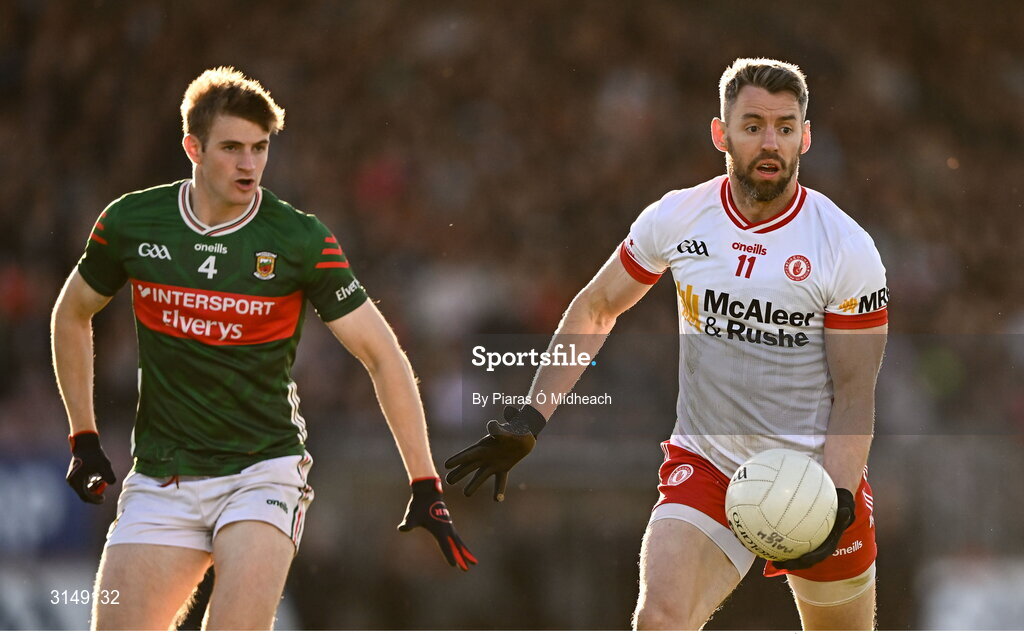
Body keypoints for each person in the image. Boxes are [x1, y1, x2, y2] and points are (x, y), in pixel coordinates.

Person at [445, 58, 888, 630]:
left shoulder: (845, 248)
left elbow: (855, 393)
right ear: (721, 132)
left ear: (806, 135)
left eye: (784, 126)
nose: (770, 141)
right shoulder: (679, 217)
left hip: (816, 475)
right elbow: (599, 306)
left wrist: (841, 500)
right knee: (658, 620)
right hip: (710, 464)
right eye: (752, 125)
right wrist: (532, 414)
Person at [51, 66, 475, 631]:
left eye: (259, 147)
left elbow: (382, 354)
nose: (249, 164)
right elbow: (72, 313)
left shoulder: (299, 239)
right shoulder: (131, 222)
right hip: (162, 478)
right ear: (192, 148)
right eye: (231, 148)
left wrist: (424, 480)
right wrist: (83, 436)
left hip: (262, 473)